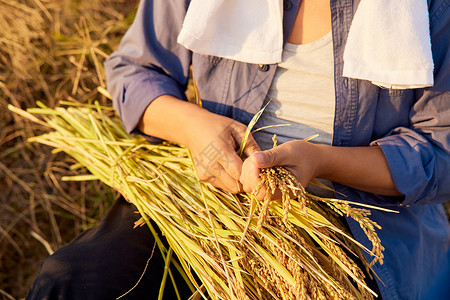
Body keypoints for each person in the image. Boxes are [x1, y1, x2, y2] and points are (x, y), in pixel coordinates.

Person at [27, 0, 450, 299]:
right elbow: (134, 71)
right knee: (73, 281)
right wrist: (196, 128)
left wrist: (322, 161)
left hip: (351, 225)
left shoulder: (428, 7)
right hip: (200, 199)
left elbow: (440, 150)